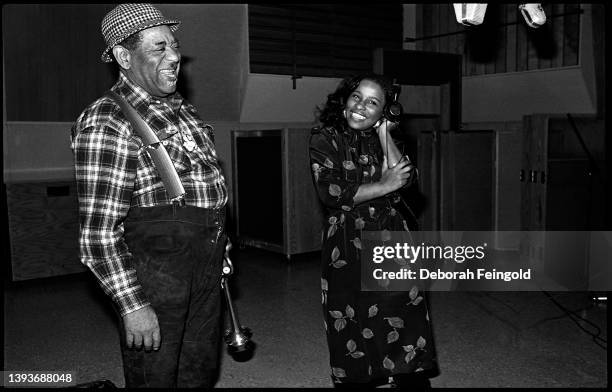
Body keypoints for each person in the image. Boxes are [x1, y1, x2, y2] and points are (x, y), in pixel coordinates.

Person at [71, 4, 228, 388]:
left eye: (174, 45)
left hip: (205, 272)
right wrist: (133, 306)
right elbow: (99, 235)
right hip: (153, 283)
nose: (174, 56)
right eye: (159, 48)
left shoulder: (185, 112)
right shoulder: (107, 120)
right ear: (125, 57)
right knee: (154, 378)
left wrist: (220, 251)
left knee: (199, 372)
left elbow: (206, 195)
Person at [309, 74, 438, 389]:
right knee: (351, 318)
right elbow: (332, 191)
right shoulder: (324, 136)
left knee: (402, 316)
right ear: (345, 99)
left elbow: (406, 181)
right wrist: (384, 185)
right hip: (347, 241)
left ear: (385, 111)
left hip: (392, 236)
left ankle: (405, 376)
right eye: (357, 97)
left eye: (373, 102)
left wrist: (383, 134)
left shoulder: (388, 138)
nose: (361, 107)